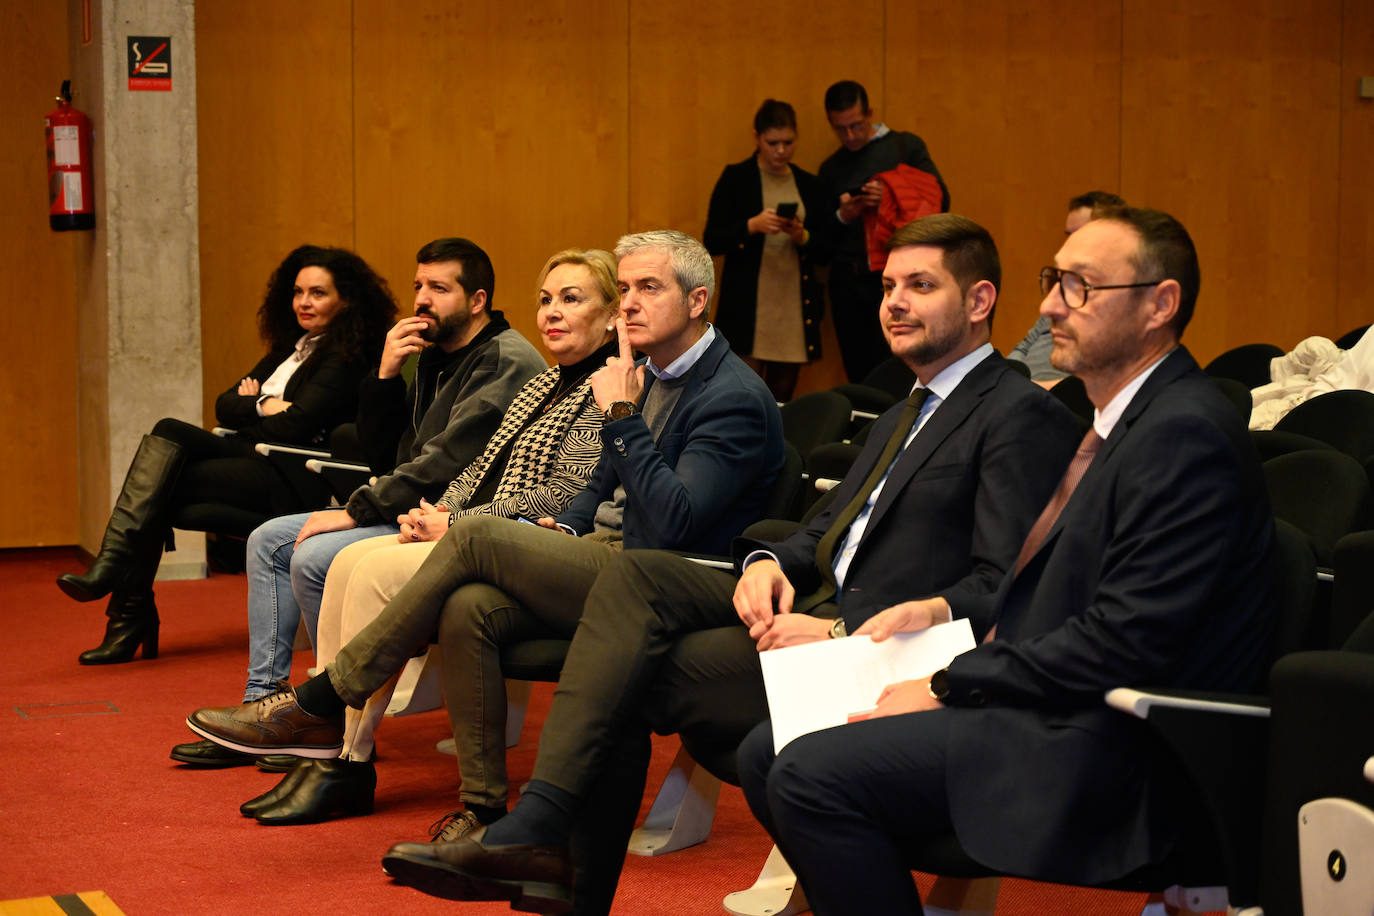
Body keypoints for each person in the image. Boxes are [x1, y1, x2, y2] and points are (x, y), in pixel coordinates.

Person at [369, 214, 1084, 915]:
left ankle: (538, 836)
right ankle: (549, 860)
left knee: (628, 614)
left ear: (981, 301)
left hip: (888, 655)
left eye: (920, 286)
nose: (894, 302)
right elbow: (823, 531)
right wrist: (771, 560)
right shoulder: (908, 409)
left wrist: (840, 632)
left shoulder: (1015, 413)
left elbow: (1001, 590)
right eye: (889, 284)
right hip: (806, 620)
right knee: (618, 659)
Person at [737, 207, 1278, 915]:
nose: (1051, 303)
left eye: (1081, 286)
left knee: (810, 771)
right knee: (769, 749)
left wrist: (950, 681)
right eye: (1054, 280)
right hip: (1054, 702)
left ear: (1160, 305)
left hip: (1116, 743)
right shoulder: (1126, 422)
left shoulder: (1183, 434)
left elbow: (1124, 640)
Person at [180, 231, 786, 845]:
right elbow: (591, 490)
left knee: (476, 541)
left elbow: (673, 522)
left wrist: (621, 418)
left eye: (648, 288)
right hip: (610, 558)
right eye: (625, 287)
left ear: (697, 300)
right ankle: (485, 810)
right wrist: (562, 528)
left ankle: (324, 699)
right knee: (472, 608)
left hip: (671, 578)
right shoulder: (645, 373)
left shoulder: (729, 394)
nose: (630, 303)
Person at [224, 248, 620, 824]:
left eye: (571, 299)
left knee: (368, 568)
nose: (552, 313)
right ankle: (329, 745)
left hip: (530, 543)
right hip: (468, 525)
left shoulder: (608, 389)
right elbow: (476, 467)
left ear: (612, 315)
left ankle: (343, 753)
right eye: (545, 299)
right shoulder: (544, 384)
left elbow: (566, 496)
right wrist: (435, 512)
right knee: (344, 565)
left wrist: (450, 523)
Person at [168, 237, 545, 768]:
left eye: (439, 288)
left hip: (449, 520)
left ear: (477, 299)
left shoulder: (503, 359)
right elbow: (383, 454)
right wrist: (386, 374)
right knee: (267, 540)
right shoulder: (429, 354)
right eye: (419, 285)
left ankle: (327, 714)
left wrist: (355, 510)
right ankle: (263, 705)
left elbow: (441, 461)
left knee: (313, 555)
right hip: (409, 506)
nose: (422, 299)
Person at [56, 245, 397, 666]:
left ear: (346, 299)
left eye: (318, 293)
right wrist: (260, 407)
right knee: (167, 436)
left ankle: (124, 604)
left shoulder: (345, 357)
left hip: (289, 473)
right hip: (253, 453)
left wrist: (255, 408)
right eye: (298, 292)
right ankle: (125, 604)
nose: (304, 303)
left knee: (162, 486)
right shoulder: (293, 348)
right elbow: (225, 403)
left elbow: (297, 426)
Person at [818, 79, 949, 383]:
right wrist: (843, 214)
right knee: (859, 374)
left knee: (903, 369)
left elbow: (938, 198)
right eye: (840, 129)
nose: (850, 135)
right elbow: (820, 242)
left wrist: (890, 195)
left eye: (857, 125)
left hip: (900, 280)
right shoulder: (831, 168)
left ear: (870, 114)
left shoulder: (905, 147)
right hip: (848, 283)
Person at [704, 98, 827, 401]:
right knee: (740, 390)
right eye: (773, 143)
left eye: (788, 142)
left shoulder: (808, 184)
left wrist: (803, 235)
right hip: (749, 304)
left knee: (782, 394)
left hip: (794, 303)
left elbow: (827, 247)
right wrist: (752, 226)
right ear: (757, 138)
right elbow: (712, 239)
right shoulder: (737, 177)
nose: (781, 151)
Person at [1010, 190, 1126, 384]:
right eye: (1068, 235)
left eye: (1079, 234)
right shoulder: (1060, 295)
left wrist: (1032, 390)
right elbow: (1024, 347)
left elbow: (1099, 376)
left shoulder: (1114, 300)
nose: (1069, 243)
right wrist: (1007, 381)